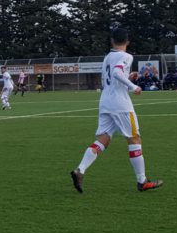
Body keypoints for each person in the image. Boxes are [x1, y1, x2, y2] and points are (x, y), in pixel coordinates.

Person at [70, 28, 163, 193]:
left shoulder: (108, 57)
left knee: (103, 139)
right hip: (121, 104)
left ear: (112, 41)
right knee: (134, 139)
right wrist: (133, 86)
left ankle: (80, 170)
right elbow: (116, 72)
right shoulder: (126, 56)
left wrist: (128, 78)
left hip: (105, 102)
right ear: (127, 42)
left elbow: (112, 77)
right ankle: (142, 181)